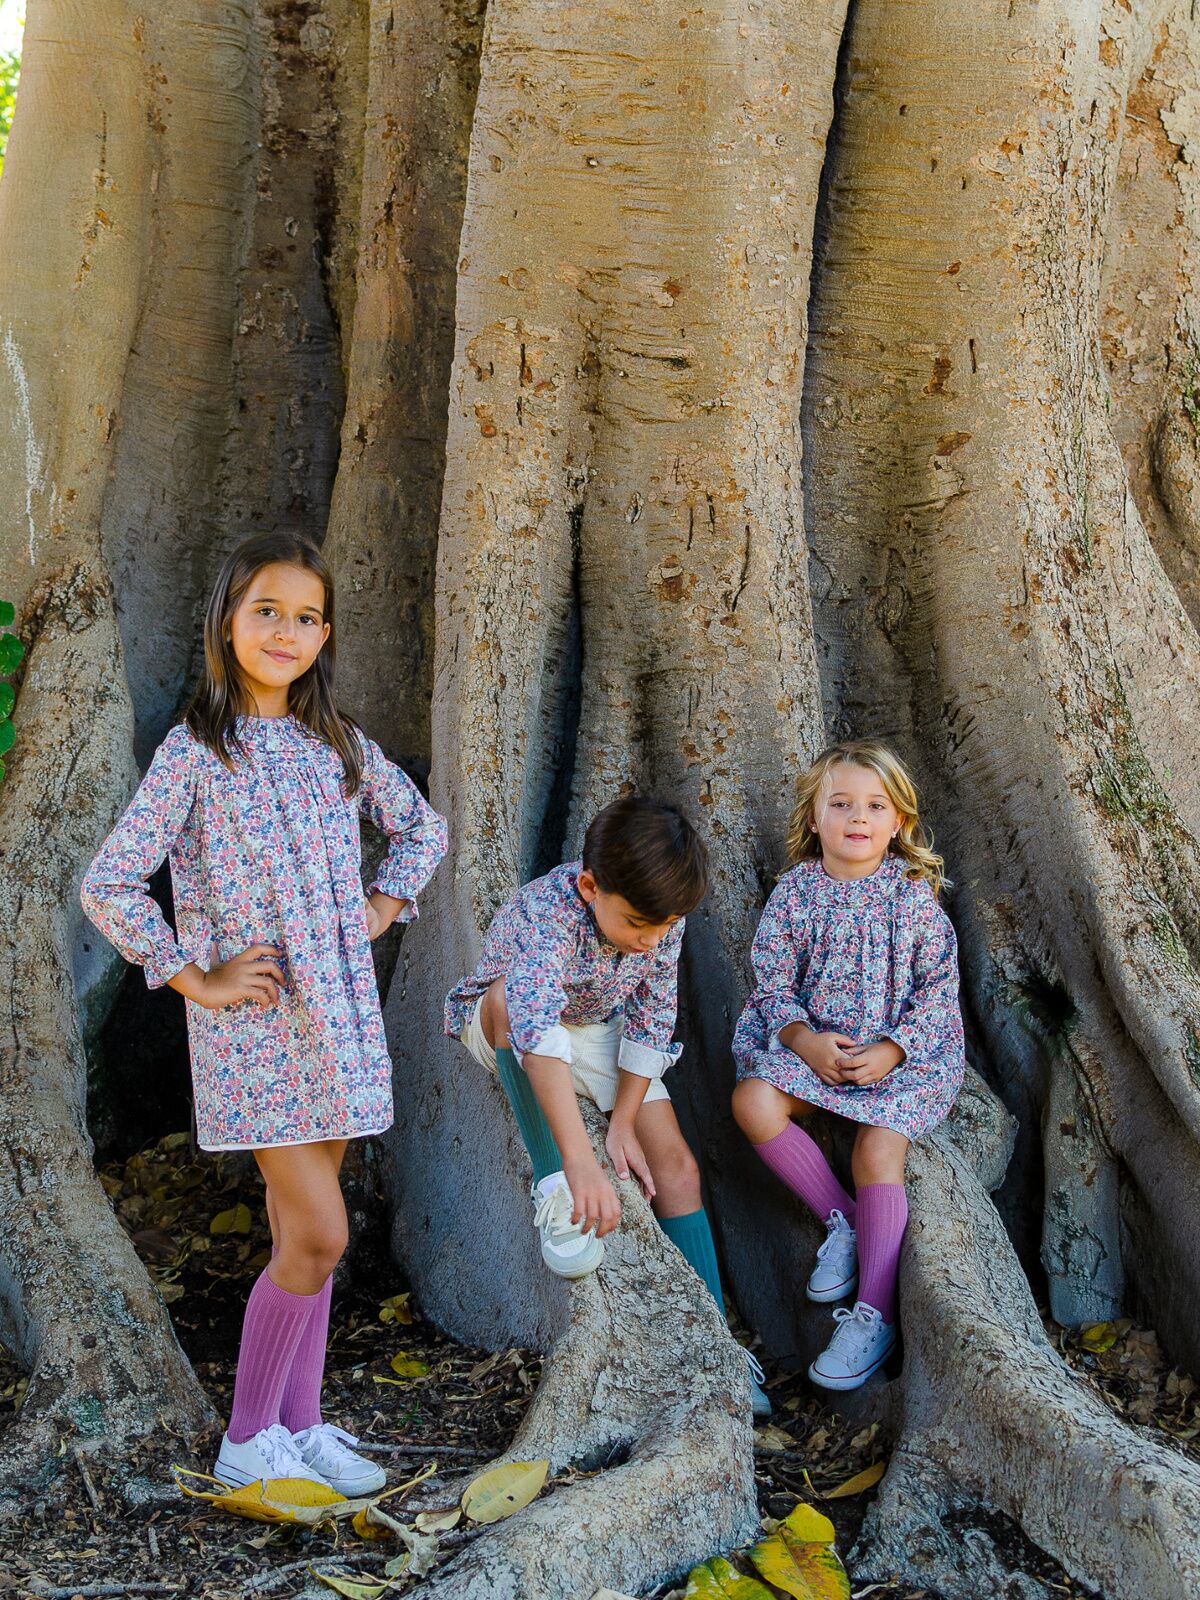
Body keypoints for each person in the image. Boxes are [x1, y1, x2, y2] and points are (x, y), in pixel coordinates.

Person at [81, 531, 447, 1492]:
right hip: (258, 1030)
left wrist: (383, 904)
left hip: (342, 1019)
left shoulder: (336, 745)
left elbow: (422, 825)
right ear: (226, 622)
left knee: (300, 1238)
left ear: (326, 635)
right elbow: (111, 881)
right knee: (323, 1234)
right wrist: (189, 975)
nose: (287, 631)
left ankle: (304, 1424)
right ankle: (247, 1440)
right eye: (267, 611)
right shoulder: (195, 751)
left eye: (307, 617)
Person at [444, 797, 772, 1417]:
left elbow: (650, 1019)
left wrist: (622, 1122)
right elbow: (537, 1033)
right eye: (638, 925)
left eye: (663, 928)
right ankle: (552, 1184)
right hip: (508, 1023)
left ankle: (715, 1340)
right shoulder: (547, 913)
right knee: (512, 1001)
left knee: (676, 1166)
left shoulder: (660, 925)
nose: (650, 941)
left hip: (600, 1029)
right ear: (591, 886)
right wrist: (579, 1164)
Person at [731, 739, 964, 1391]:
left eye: (874, 806)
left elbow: (938, 990)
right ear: (814, 819)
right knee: (752, 1101)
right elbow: (773, 982)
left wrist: (893, 1048)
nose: (857, 818)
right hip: (820, 1051)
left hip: (903, 1059)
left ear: (899, 824)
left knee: (877, 1155)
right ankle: (848, 1219)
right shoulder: (796, 895)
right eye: (840, 804)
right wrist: (804, 1041)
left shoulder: (912, 897)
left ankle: (874, 1313)